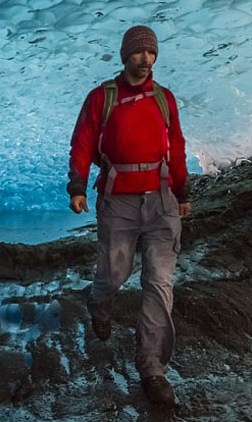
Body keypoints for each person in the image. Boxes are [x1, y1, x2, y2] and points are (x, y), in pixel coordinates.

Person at [67, 24, 190, 407]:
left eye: (151, 53)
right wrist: (76, 186)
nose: (146, 60)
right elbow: (83, 143)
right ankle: (99, 302)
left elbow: (177, 147)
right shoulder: (101, 98)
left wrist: (183, 192)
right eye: (139, 53)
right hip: (118, 201)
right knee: (115, 273)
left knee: (159, 282)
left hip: (161, 203)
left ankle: (152, 367)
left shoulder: (164, 99)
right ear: (125, 56)